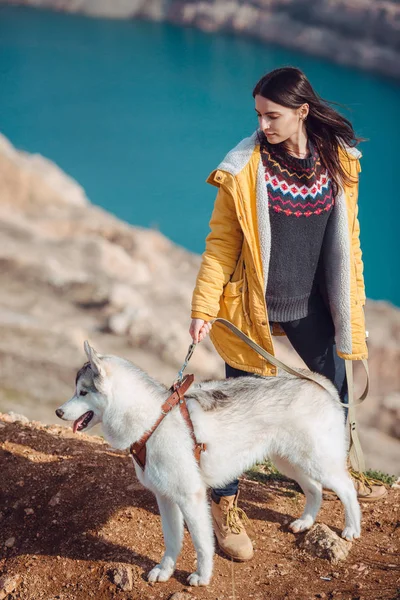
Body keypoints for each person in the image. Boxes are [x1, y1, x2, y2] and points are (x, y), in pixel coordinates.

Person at [189, 66, 386, 562]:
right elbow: (220, 247)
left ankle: (337, 471)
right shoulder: (244, 168)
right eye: (257, 114)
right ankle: (226, 504)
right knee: (238, 408)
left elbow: (348, 241)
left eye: (272, 115)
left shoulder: (337, 161)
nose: (263, 126)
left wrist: (352, 300)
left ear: (302, 112)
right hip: (251, 309)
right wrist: (202, 307)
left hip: (308, 306)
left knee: (336, 390)